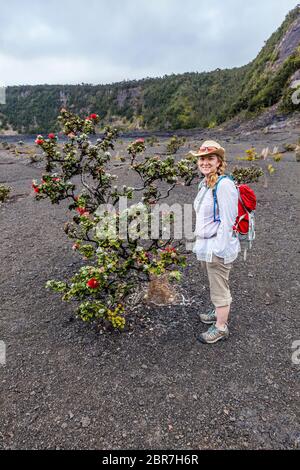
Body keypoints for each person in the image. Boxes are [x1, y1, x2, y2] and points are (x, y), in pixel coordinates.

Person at [190, 140, 241, 344]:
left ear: (219, 161)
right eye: (202, 159)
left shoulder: (224, 185)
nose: (205, 162)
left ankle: (221, 327)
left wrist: (219, 249)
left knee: (220, 286)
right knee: (215, 282)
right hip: (207, 243)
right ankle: (218, 312)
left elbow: (229, 221)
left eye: (210, 158)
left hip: (217, 245)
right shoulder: (206, 183)